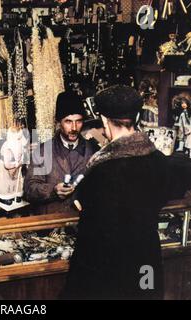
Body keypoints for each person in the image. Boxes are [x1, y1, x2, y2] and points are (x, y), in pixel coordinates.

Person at [64, 85, 171, 300]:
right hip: (146, 264)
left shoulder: (101, 170)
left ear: (104, 120)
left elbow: (90, 236)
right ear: (138, 116)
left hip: (109, 271)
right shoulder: (160, 161)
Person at [24, 91, 99, 214]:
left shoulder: (92, 150)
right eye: (68, 121)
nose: (74, 128)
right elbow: (29, 190)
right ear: (59, 122)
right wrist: (53, 191)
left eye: (78, 121)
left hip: (81, 223)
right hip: (51, 224)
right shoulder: (43, 151)